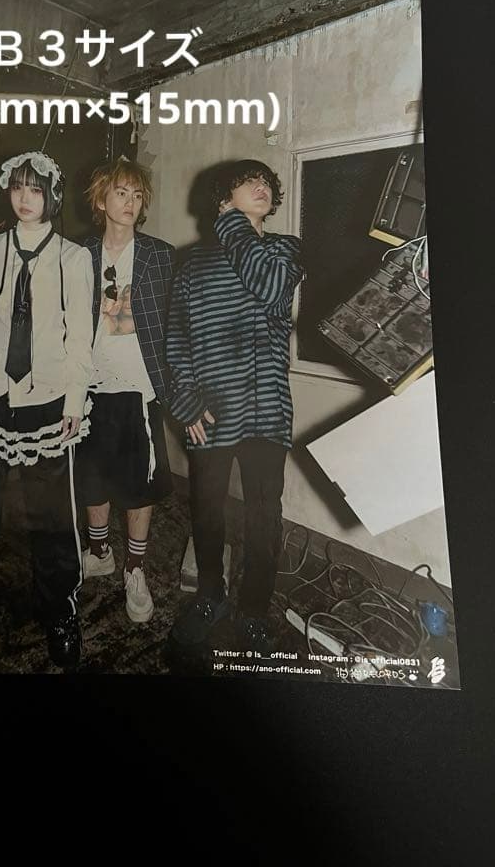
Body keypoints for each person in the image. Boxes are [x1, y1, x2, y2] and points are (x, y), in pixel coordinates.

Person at [0, 151, 94, 669]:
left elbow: (80, 337)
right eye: (17, 188)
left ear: (52, 196)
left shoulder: (74, 258)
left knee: (52, 515)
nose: (25, 199)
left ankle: (59, 608)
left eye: (36, 189)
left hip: (47, 398)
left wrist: (74, 400)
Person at [166, 160, 303, 652]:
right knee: (207, 509)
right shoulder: (191, 262)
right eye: (249, 182)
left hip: (267, 408)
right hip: (211, 408)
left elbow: (268, 287)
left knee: (264, 514)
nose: (262, 186)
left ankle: (254, 609)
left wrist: (234, 226)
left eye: (266, 182)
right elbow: (176, 337)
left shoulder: (284, 251)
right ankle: (210, 595)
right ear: (224, 198)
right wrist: (185, 402)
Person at [75, 158, 173, 622]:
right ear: (101, 199)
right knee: (91, 478)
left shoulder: (159, 255)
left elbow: (175, 324)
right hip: (88, 386)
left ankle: (135, 568)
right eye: (121, 193)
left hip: (139, 388)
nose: (131, 202)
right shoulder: (77, 254)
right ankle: (99, 553)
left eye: (137, 195)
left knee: (138, 486)